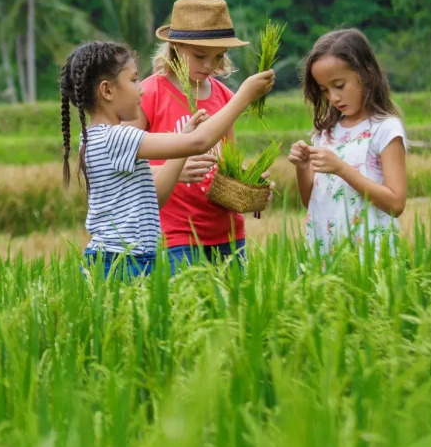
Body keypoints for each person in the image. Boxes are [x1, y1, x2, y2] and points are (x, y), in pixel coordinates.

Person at [59, 40, 275, 278]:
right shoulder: (117, 138)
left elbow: (157, 197)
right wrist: (244, 97)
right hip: (122, 260)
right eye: (133, 80)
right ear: (107, 90)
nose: (141, 89)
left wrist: (183, 141)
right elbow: (199, 143)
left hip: (135, 256)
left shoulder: (99, 137)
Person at [127, 0, 252, 274]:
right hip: (174, 233)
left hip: (227, 232)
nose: (209, 65)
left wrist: (248, 180)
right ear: (176, 46)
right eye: (199, 56)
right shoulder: (150, 94)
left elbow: (228, 159)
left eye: (218, 57)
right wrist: (172, 168)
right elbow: (126, 161)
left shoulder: (225, 97)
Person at [288, 28, 408, 255]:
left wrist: (341, 168)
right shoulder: (325, 134)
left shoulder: (385, 129)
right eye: (324, 90)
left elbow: (395, 204)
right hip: (326, 256)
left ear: (366, 74)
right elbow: (312, 202)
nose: (333, 97)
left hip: (369, 256)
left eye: (339, 86)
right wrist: (303, 167)